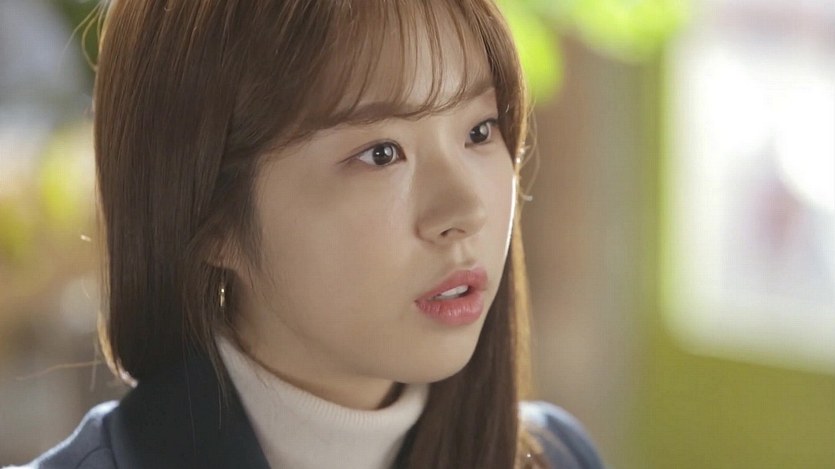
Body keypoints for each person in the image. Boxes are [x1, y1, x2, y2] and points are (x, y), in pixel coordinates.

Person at [16, 1, 607, 468]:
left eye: (480, 130)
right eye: (381, 153)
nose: (465, 210)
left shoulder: (554, 456)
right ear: (210, 215)